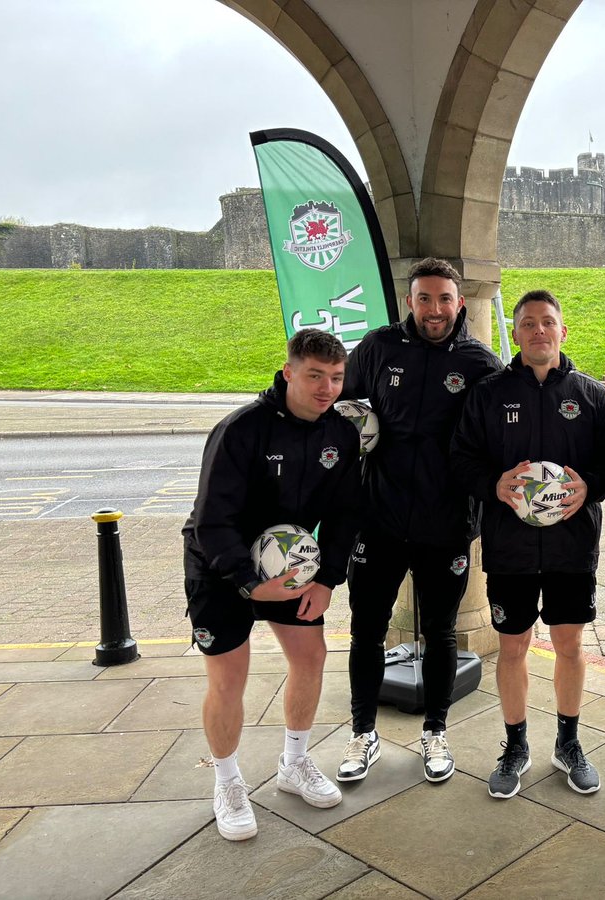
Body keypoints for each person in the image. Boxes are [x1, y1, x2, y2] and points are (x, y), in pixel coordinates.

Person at [182, 328, 361, 841]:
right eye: (314, 376)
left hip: (290, 566)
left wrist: (327, 580)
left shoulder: (341, 435)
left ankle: (294, 763)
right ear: (288, 373)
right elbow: (210, 519)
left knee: (311, 656)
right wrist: (246, 582)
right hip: (220, 566)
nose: (326, 388)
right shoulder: (240, 430)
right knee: (229, 677)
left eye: (335, 377)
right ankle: (228, 782)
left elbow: (347, 513)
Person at [339, 257, 502, 785]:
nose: (435, 310)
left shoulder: (480, 363)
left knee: (440, 632)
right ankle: (363, 733)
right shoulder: (378, 347)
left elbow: (502, 433)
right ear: (411, 301)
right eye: (425, 298)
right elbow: (333, 402)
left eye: (445, 299)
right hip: (380, 520)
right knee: (367, 630)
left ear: (460, 302)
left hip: (446, 525)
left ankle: (435, 731)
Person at [451, 290, 605, 798]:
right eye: (528, 323)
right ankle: (515, 744)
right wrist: (494, 485)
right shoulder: (489, 393)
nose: (539, 331)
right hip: (511, 548)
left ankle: (568, 742)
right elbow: (462, 459)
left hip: (572, 547)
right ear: (516, 332)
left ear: (562, 331)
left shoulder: (590, 395)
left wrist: (590, 485)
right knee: (513, 646)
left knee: (569, 645)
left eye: (548, 322)